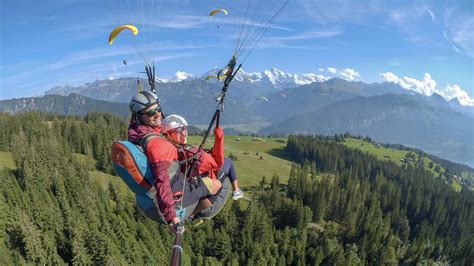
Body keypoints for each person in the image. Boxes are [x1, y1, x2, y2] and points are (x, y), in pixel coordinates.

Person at [127, 91, 221, 230]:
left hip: (145, 198)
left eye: (158, 108)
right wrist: (172, 216)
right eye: (152, 112)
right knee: (218, 183)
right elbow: (162, 180)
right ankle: (193, 215)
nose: (158, 114)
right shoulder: (157, 144)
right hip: (171, 191)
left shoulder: (136, 131)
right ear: (139, 116)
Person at [160, 114, 244, 201]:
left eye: (185, 128)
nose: (184, 133)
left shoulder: (168, 148)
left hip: (187, 183)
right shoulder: (191, 153)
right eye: (178, 130)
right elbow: (217, 163)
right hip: (202, 182)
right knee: (228, 161)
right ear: (168, 134)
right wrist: (219, 137)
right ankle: (236, 190)